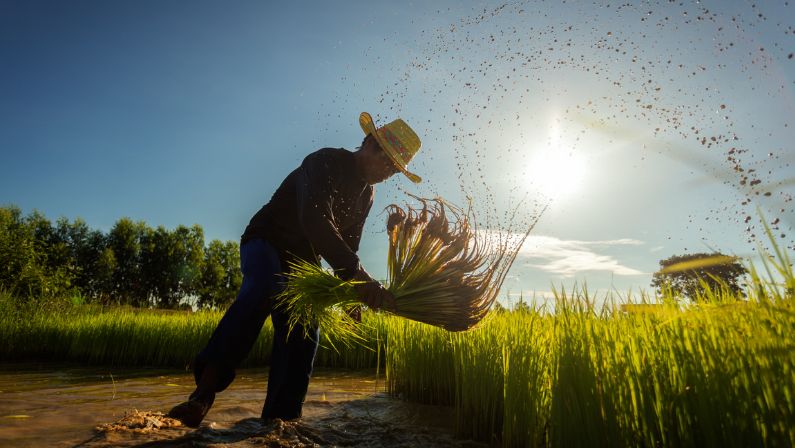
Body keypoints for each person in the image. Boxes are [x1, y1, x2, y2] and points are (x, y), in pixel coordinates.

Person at [167, 112, 423, 428]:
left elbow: (348, 246)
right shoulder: (324, 162)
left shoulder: (367, 196)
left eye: (396, 170)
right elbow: (314, 220)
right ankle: (202, 396)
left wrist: (349, 296)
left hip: (303, 263)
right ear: (371, 145)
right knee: (263, 288)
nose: (390, 174)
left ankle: (280, 423)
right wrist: (360, 278)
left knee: (305, 331)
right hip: (266, 240)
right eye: (389, 164)